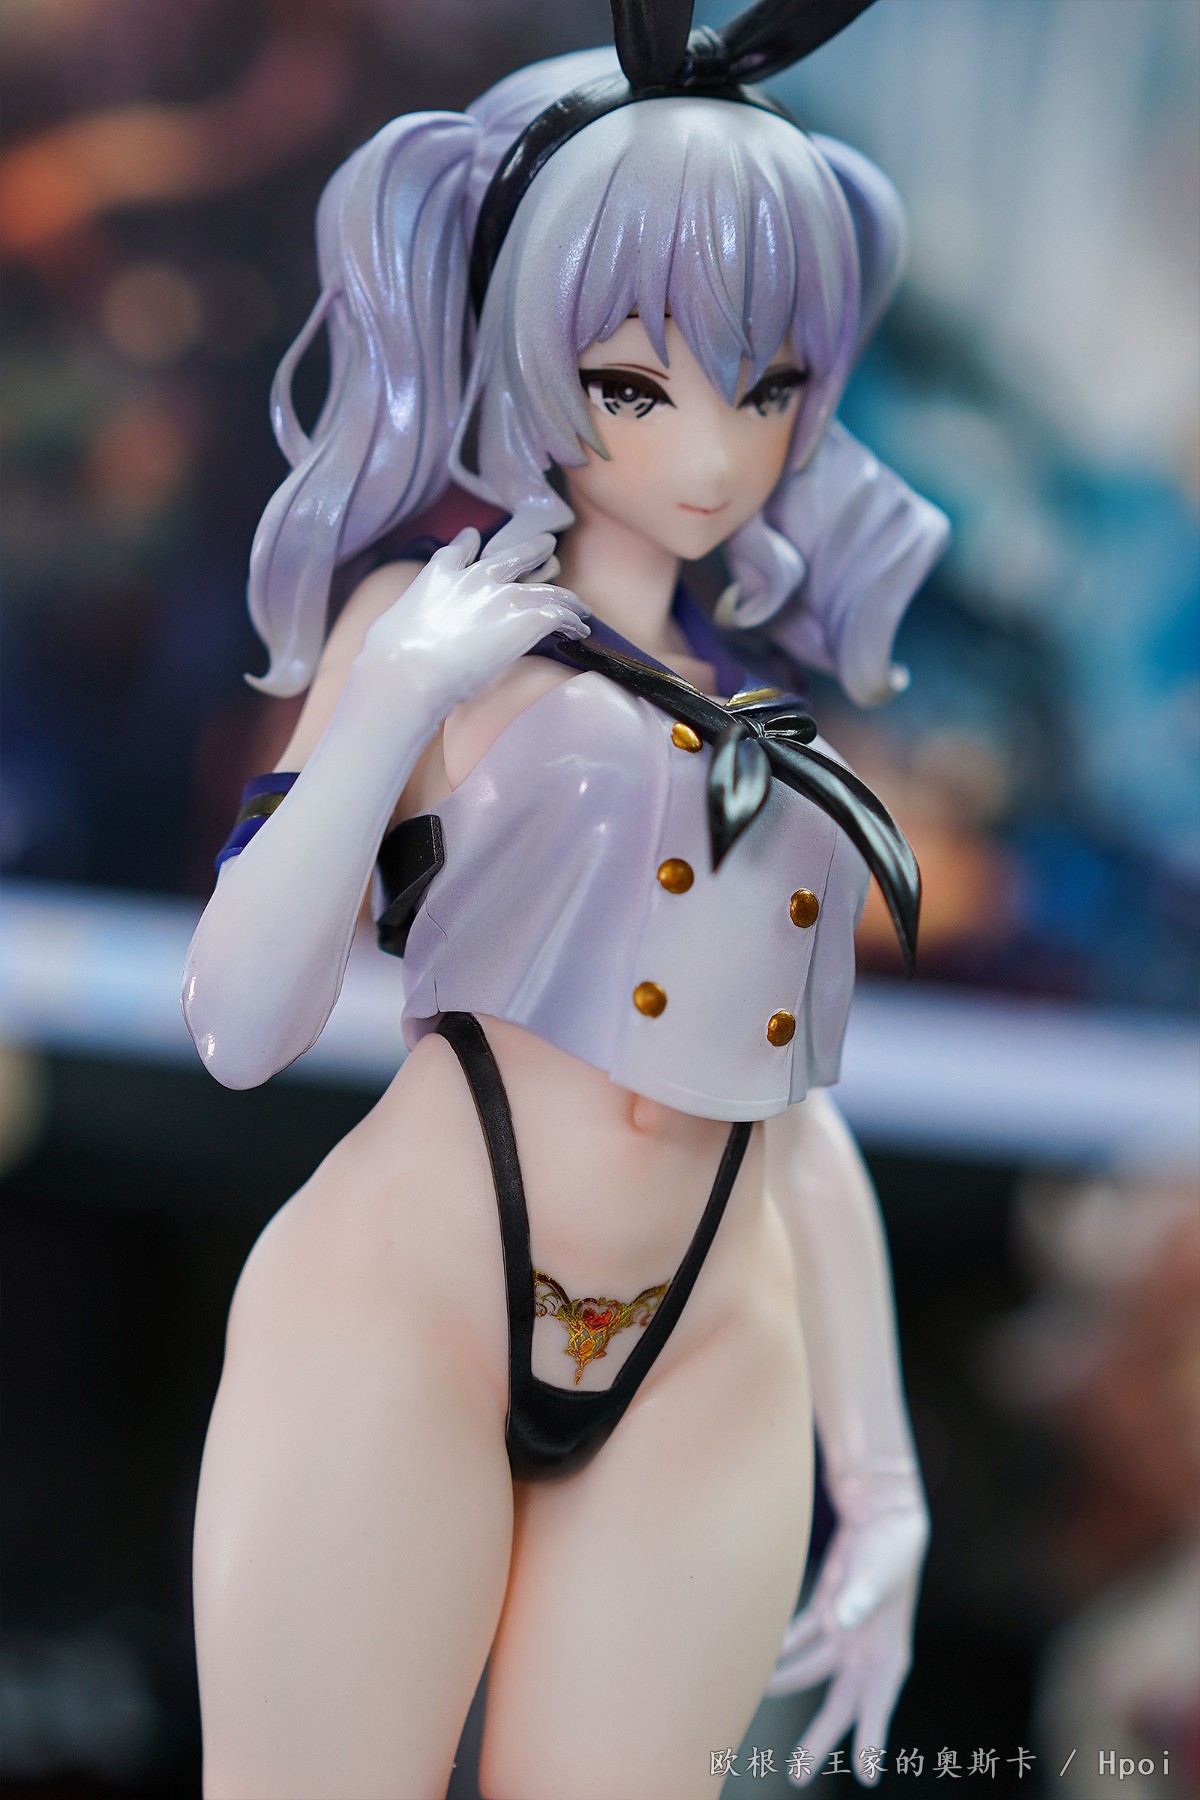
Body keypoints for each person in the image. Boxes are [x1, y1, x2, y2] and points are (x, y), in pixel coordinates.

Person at [184, 5, 948, 1794]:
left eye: (769, 388)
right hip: (413, 1302)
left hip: (717, 1348)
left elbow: (787, 1111)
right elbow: (239, 1022)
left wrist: (883, 1478)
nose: (714, 454)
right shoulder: (427, 629)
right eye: (636, 385)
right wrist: (389, 702)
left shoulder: (776, 712)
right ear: (538, 355)